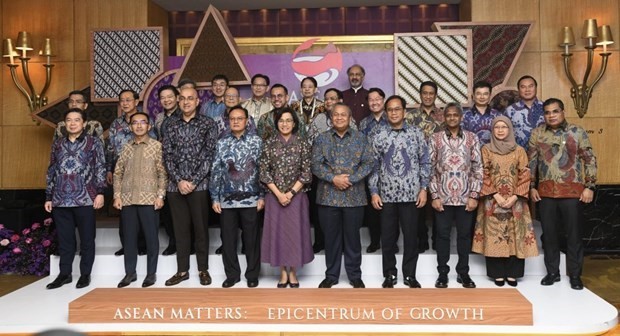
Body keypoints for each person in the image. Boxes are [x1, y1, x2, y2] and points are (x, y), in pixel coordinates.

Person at [528, 98, 597, 290]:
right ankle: (552, 273)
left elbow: (589, 159)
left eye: (555, 111)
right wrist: (531, 186)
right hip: (546, 192)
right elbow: (531, 162)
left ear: (563, 112)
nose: (551, 115)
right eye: (548, 112)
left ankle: (575, 275)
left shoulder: (577, 132)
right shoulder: (538, 133)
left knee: (573, 236)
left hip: (573, 192)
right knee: (549, 235)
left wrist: (589, 186)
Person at [369, 95, 430, 288]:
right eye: (390, 109)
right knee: (387, 237)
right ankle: (390, 275)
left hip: (411, 195)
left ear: (404, 112)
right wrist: (374, 192)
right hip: (386, 196)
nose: (394, 112)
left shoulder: (416, 133)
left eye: (397, 109)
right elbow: (373, 166)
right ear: (386, 113)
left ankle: (410, 275)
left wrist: (424, 188)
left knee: (411, 237)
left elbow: (425, 162)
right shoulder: (378, 136)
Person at [312, 102, 375, 289]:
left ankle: (355, 275)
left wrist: (351, 179)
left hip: (354, 197)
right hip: (327, 197)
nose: (339, 118)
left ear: (350, 118)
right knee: (331, 239)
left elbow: (369, 163)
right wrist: (333, 178)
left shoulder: (361, 139)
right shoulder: (321, 139)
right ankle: (331, 276)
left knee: (353, 239)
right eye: (335, 115)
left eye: (343, 115)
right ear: (331, 119)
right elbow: (315, 164)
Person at [472, 116, 538, 287]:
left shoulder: (519, 150)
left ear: (510, 129)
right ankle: (497, 274)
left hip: (515, 201)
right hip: (492, 200)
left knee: (515, 235)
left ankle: (513, 273)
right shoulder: (486, 149)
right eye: (497, 127)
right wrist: (496, 195)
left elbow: (525, 174)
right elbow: (482, 173)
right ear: (492, 130)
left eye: (504, 127)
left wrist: (515, 196)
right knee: (495, 235)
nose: (500, 130)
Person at [44, 108, 106, 289]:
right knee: (65, 240)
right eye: (69, 120)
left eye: (76, 120)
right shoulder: (57, 144)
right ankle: (64, 274)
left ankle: (85, 274)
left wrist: (100, 192)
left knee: (87, 239)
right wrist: (49, 195)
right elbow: (51, 170)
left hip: (85, 197)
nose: (72, 123)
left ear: (84, 123)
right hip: (60, 198)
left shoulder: (93, 142)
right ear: (64, 123)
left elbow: (100, 167)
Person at [163, 87, 218, 287]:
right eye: (183, 99)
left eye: (190, 98)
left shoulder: (208, 124)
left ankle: (203, 269)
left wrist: (193, 181)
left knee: (201, 229)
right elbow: (167, 155)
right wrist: (178, 180)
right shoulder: (169, 124)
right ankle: (182, 270)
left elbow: (209, 155)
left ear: (197, 101)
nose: (186, 102)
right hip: (175, 186)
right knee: (180, 230)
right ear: (178, 101)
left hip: (200, 185)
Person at [429, 102, 483, 289]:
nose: (452, 118)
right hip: (442, 197)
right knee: (442, 236)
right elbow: (429, 169)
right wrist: (434, 195)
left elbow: (478, 168)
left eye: (455, 115)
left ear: (461, 118)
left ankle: (463, 273)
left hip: (465, 196)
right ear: (444, 117)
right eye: (448, 115)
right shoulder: (435, 138)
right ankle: (442, 274)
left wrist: (475, 195)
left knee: (464, 236)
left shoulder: (472, 138)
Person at [210, 105, 264, 288]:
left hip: (252, 199)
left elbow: (262, 171)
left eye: (239, 118)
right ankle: (232, 275)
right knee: (228, 239)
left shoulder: (257, 142)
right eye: (232, 119)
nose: (236, 121)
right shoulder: (222, 142)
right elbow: (216, 170)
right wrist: (215, 198)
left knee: (252, 240)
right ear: (228, 121)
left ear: (247, 121)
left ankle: (252, 275)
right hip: (226, 199)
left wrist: (262, 196)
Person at [260, 107, 314, 288]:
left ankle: (293, 272)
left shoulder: (303, 143)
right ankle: (283, 272)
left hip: (297, 197)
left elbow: (307, 173)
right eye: (281, 120)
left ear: (295, 123)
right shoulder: (268, 144)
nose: (285, 124)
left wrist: (290, 193)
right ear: (276, 123)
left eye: (289, 120)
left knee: (294, 235)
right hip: (274, 197)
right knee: (278, 235)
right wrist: (278, 194)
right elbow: (264, 172)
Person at [113, 112, 167, 288]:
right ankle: (130, 273)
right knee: (129, 239)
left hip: (149, 199)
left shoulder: (157, 146)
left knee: (152, 239)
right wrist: (117, 195)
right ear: (130, 127)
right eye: (134, 123)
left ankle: (151, 274)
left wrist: (160, 195)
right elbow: (118, 173)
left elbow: (162, 173)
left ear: (149, 126)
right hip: (128, 200)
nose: (138, 126)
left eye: (142, 122)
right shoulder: (126, 147)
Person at [106, 89, 156, 256]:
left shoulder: (146, 121)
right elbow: (111, 149)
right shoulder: (116, 124)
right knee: (125, 213)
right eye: (122, 100)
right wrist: (110, 169)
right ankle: (127, 245)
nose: (125, 103)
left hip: (144, 173)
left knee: (143, 212)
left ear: (136, 102)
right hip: (123, 173)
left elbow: (154, 144)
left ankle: (142, 246)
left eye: (129, 100)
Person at [405, 81, 446, 252]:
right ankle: (421, 239)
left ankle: (438, 239)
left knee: (438, 203)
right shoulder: (410, 116)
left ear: (436, 95)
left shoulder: (444, 116)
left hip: (440, 166)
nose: (428, 96)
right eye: (425, 93)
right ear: (420, 94)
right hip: (416, 166)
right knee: (419, 205)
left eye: (431, 93)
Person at [358, 87, 388, 253]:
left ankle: (390, 241)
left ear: (383, 100)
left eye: (378, 99)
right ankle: (375, 241)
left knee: (390, 211)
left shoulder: (391, 119)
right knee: (372, 211)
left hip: (391, 172)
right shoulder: (363, 124)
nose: (375, 102)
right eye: (371, 100)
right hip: (370, 173)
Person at [153, 84, 180, 256]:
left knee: (183, 208)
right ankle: (173, 241)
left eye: (170, 96)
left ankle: (187, 241)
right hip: (164, 167)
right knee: (168, 208)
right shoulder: (159, 118)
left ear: (177, 97)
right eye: (163, 97)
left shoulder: (185, 115)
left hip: (183, 167)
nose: (166, 100)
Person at [505, 75, 544, 149]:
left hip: (543, 155)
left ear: (536, 88)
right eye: (523, 87)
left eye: (530, 86)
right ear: (518, 90)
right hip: (518, 154)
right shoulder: (510, 110)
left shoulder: (545, 107)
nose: (527, 90)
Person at [462, 81, 504, 146]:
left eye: (485, 94)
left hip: (493, 153)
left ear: (490, 96)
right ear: (473, 96)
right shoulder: (464, 115)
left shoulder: (498, 115)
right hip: (471, 153)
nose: (482, 97)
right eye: (478, 94)